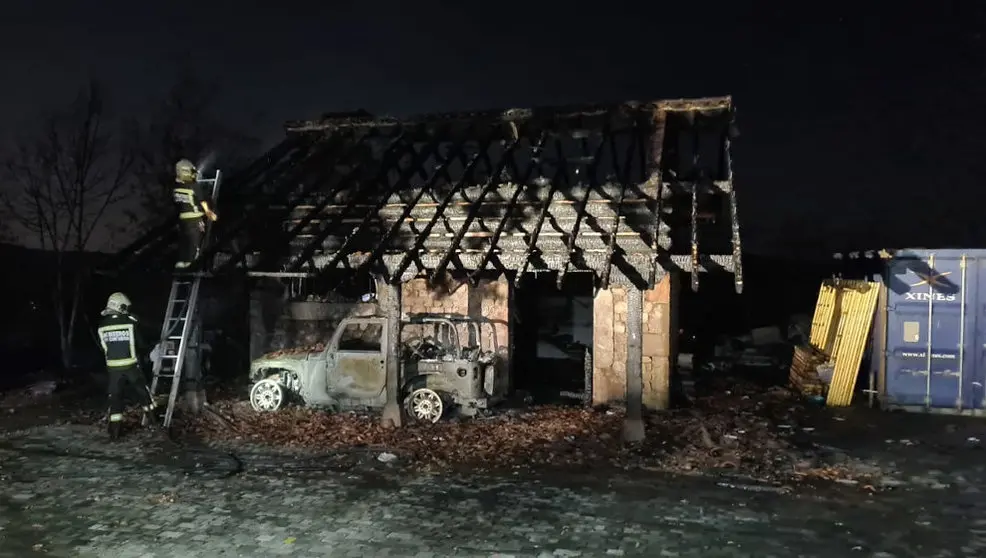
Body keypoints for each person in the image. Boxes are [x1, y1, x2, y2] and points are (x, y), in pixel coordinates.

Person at [95, 292, 157, 440]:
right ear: (121, 307)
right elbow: (140, 344)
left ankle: (114, 434)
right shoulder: (130, 322)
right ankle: (154, 423)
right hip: (131, 367)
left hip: (113, 370)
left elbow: (104, 348)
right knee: (144, 394)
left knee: (115, 400)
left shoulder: (102, 325)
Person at [172, 159, 218, 269]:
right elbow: (202, 201)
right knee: (195, 242)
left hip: (183, 220)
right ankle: (192, 262)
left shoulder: (176, 187)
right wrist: (209, 212)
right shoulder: (194, 186)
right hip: (195, 219)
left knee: (184, 241)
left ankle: (182, 261)